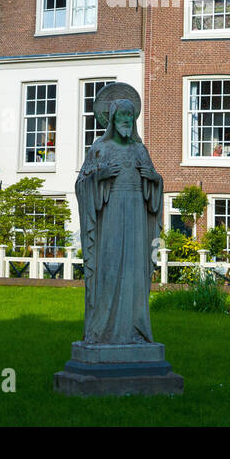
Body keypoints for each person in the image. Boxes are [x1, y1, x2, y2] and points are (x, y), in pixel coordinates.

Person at [74, 84, 163, 346]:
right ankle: (103, 330)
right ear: (112, 120)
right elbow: (82, 184)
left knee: (135, 270)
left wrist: (154, 180)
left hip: (136, 216)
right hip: (111, 216)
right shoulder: (99, 149)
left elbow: (154, 186)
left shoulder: (139, 150)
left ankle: (134, 329)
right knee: (110, 269)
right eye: (121, 119)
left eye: (129, 119)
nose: (125, 123)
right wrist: (99, 177)